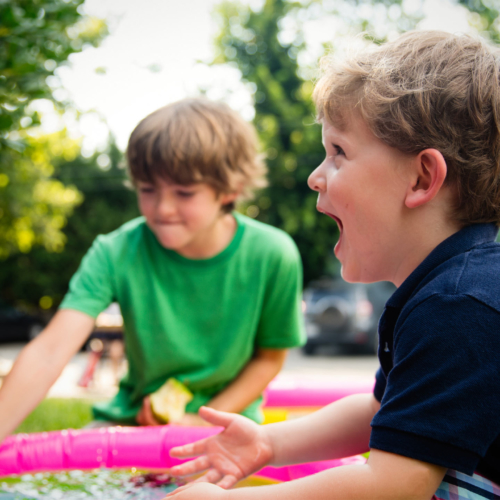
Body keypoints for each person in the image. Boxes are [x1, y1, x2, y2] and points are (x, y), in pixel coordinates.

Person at [164, 31, 500, 500]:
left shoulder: (460, 305)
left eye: (339, 152)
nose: (315, 176)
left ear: (422, 177)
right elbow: (381, 411)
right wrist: (268, 442)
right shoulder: (442, 291)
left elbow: (394, 485)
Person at [0, 98, 305, 438]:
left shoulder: (273, 254)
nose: (163, 208)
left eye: (185, 193)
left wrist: (203, 419)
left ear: (230, 189)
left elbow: (269, 358)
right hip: (132, 423)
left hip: (227, 427)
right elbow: (49, 351)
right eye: (148, 190)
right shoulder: (115, 251)